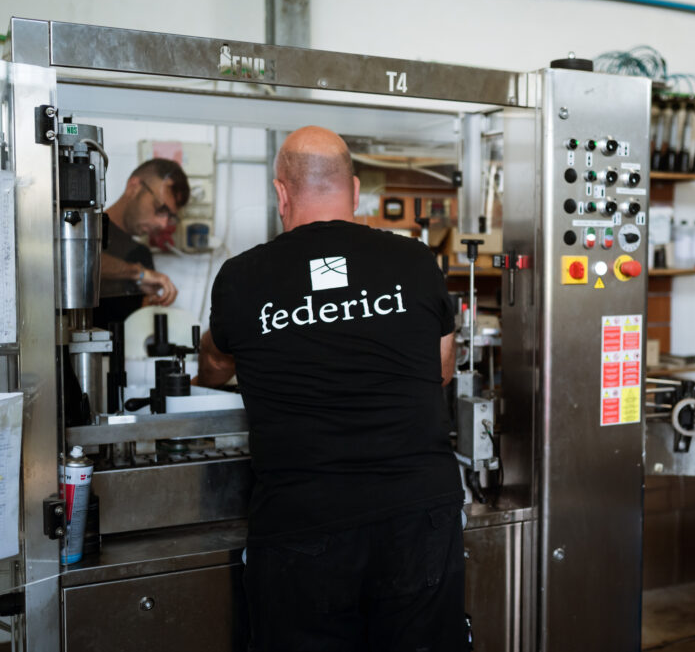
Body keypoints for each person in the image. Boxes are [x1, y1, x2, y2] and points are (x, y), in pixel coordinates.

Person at [196, 126, 465, 651]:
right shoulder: (415, 261)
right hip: (418, 517)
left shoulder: (241, 278)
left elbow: (215, 364)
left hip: (305, 526)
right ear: (355, 190)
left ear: (281, 193)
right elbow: (440, 369)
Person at [95, 158, 189, 329]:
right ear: (134, 187)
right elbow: (77, 261)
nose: (163, 224)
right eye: (160, 209)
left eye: (170, 217)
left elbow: (139, 330)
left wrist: (152, 303)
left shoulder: (141, 254)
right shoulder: (84, 231)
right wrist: (137, 273)